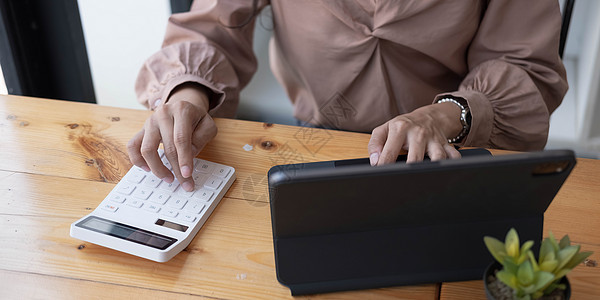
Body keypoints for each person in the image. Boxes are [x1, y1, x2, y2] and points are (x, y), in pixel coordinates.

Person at [128, 0, 567, 192]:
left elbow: (524, 66)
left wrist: (445, 116)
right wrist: (187, 95)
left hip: (451, 144)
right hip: (319, 136)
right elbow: (215, 25)